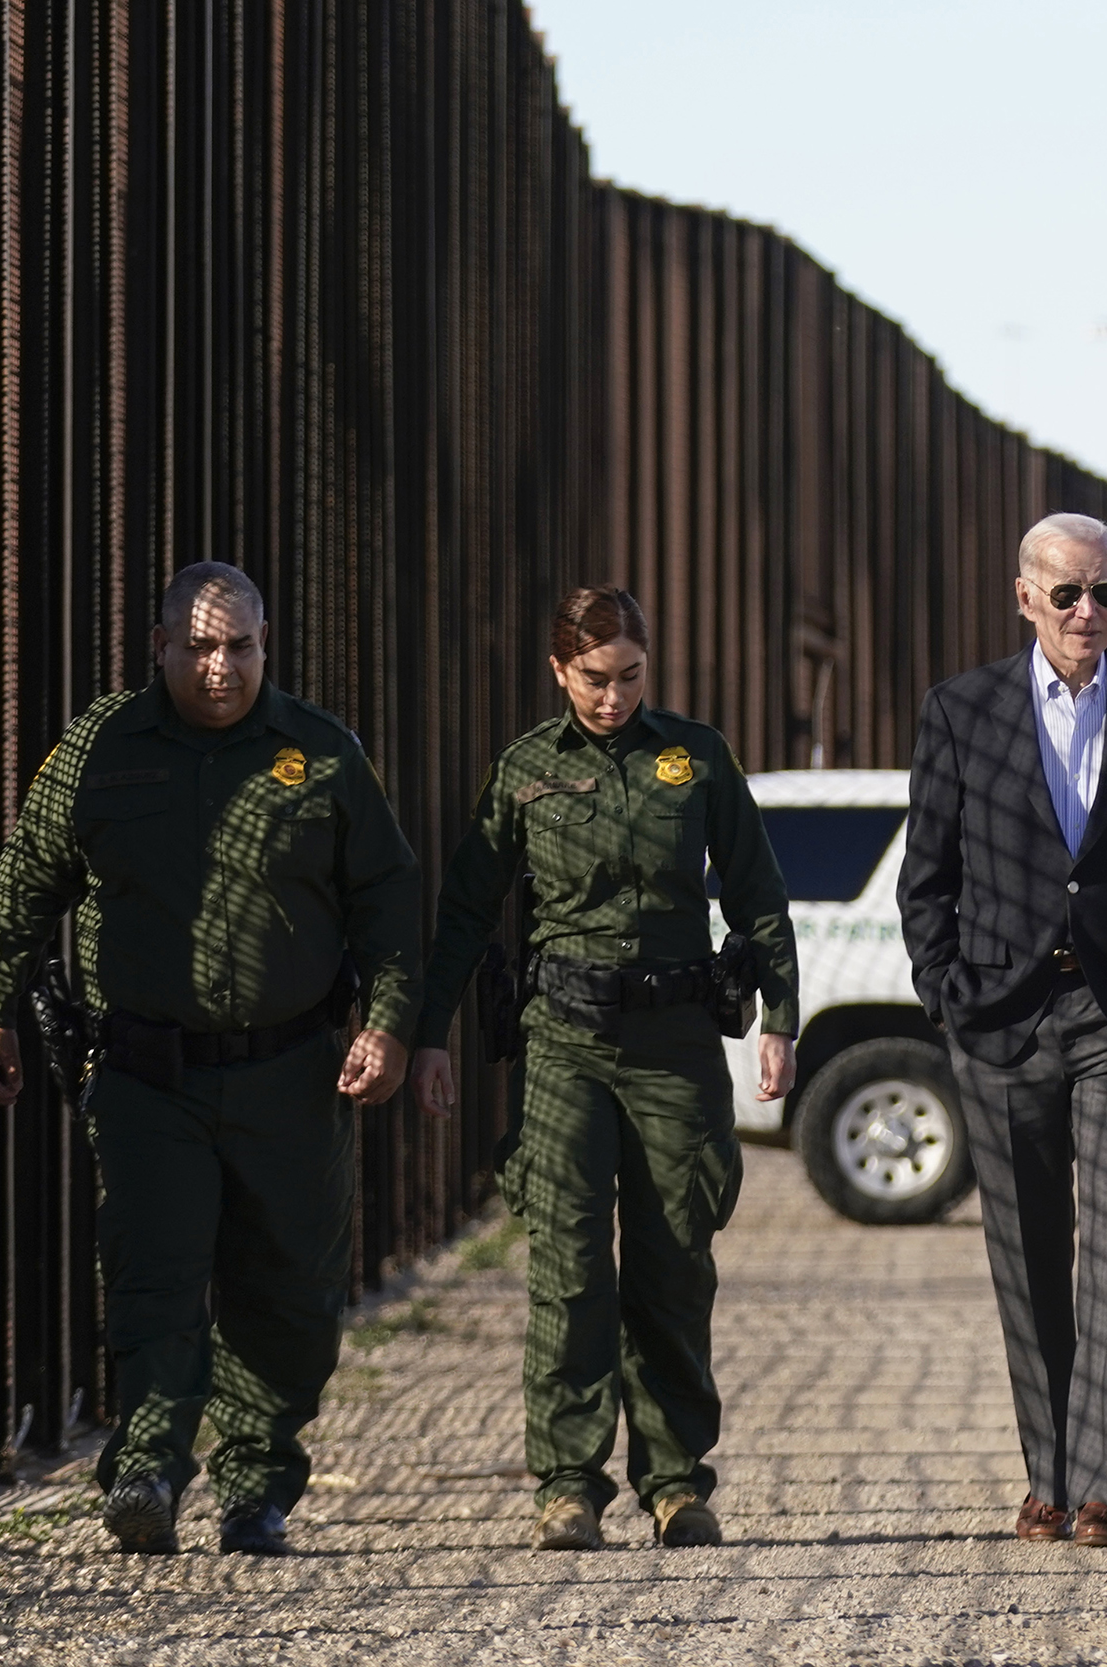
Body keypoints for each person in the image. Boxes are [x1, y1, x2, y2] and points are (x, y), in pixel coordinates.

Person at [0, 562, 420, 1558]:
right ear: (160, 646)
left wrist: (385, 1023)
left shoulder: (322, 753)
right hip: (146, 1073)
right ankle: (150, 1467)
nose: (222, 667)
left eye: (241, 646)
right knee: (153, 1276)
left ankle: (256, 1486)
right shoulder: (99, 749)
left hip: (290, 1071)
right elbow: (22, 886)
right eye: (202, 647)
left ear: (267, 645)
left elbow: (388, 899)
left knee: (289, 1291)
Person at [410, 586, 800, 1554]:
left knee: (674, 1260)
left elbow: (757, 894)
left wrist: (780, 1019)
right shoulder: (527, 770)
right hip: (563, 1044)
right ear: (558, 671)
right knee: (571, 1263)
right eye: (593, 679)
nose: (613, 696)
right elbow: (464, 910)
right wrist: (426, 1034)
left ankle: (673, 1480)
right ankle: (567, 1484)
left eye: (629, 675)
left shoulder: (695, 757)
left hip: (673, 1044)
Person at [897, 512, 1107, 1549]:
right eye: (1068, 594)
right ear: (1024, 595)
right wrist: (949, 991)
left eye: (1106, 594)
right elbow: (929, 879)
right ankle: (1043, 1473)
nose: (1088, 612)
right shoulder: (960, 710)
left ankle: (1101, 1486)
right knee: (1026, 1251)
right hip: (1000, 1017)